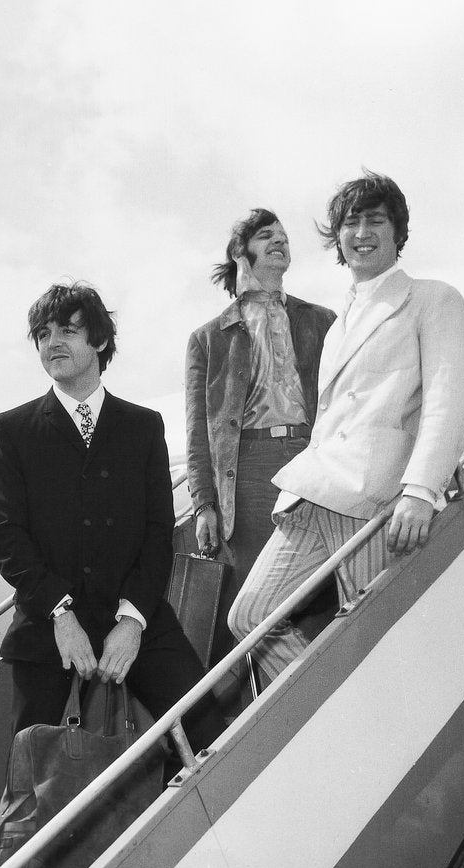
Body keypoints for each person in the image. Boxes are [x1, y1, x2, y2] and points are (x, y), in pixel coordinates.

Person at [0, 281, 225, 868]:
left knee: (209, 727)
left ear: (98, 340)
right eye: (42, 335)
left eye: (66, 328)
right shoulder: (11, 430)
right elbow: (3, 533)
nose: (52, 342)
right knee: (30, 790)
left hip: (137, 619)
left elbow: (155, 532)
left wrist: (131, 619)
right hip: (44, 627)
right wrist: (59, 611)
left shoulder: (143, 425)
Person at [230, 172, 464, 682]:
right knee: (250, 617)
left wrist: (420, 489)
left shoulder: (434, 298)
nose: (361, 232)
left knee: (372, 637)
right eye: (350, 223)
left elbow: (448, 394)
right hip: (312, 489)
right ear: (337, 238)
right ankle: (328, 702)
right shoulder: (341, 317)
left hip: (373, 496)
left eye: (375, 220)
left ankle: (355, 714)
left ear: (397, 233)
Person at [185, 209, 336, 587]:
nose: (280, 240)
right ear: (240, 251)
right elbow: (198, 435)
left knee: (318, 588)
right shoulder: (208, 339)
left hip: (312, 455)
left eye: (284, 235)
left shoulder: (322, 319)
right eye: (266, 234)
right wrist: (204, 504)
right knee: (258, 590)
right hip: (248, 469)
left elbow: (365, 377)